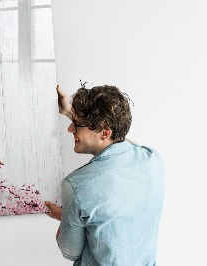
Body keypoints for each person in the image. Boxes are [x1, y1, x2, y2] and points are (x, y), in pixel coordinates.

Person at [45, 84, 165, 265]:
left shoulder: (76, 185)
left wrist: (67, 219)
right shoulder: (152, 159)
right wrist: (70, 112)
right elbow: (120, 140)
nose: (70, 129)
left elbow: (70, 251)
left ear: (105, 132)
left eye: (77, 124)